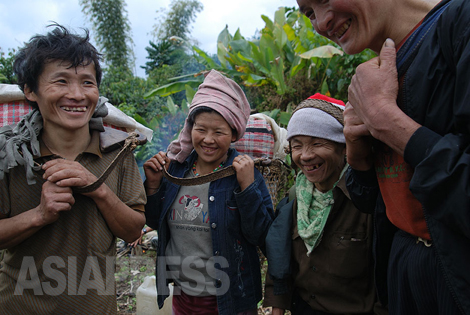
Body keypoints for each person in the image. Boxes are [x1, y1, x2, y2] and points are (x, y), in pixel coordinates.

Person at [296, 0, 470, 313]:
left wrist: (384, 120)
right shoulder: (378, 68)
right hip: (402, 266)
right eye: (309, 13)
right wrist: (358, 155)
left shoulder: (459, 26)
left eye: (322, 0)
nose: (320, 24)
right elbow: (374, 201)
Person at [0, 24, 146, 314]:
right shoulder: (10, 154)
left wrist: (97, 189)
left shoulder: (118, 151)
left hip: (95, 307)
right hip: (18, 306)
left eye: (87, 83)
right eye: (61, 81)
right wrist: (39, 215)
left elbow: (133, 230)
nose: (77, 94)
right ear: (31, 90)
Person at [143, 69, 274, 315]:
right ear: (190, 128)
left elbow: (262, 235)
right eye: (201, 129)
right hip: (183, 297)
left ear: (234, 133)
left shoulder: (244, 173)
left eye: (219, 132)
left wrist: (247, 189)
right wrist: (152, 186)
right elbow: (154, 221)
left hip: (231, 300)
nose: (208, 139)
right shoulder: (176, 170)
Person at [263, 94, 386, 315]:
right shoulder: (294, 198)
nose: (306, 156)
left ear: (343, 148)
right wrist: (278, 307)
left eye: (318, 143)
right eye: (297, 146)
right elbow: (281, 258)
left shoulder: (366, 201)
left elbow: (385, 275)